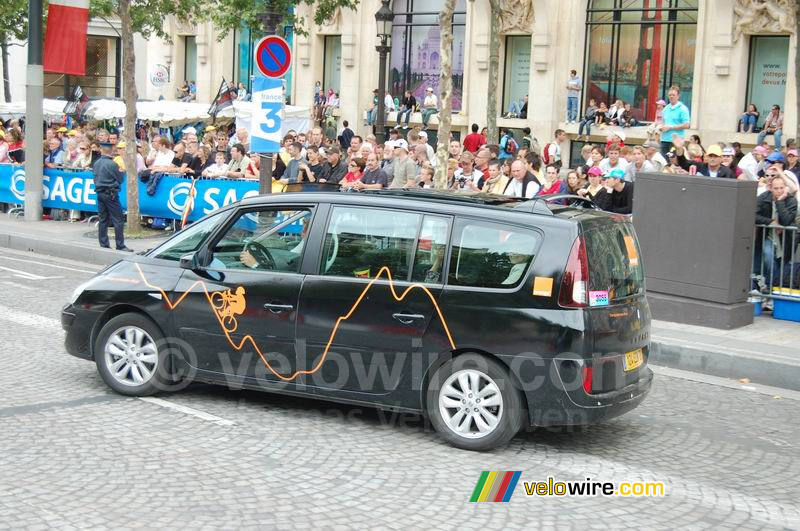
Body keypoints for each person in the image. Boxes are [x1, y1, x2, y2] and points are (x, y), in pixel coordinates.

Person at [754, 175, 797, 288]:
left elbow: (787, 220)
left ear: (786, 188)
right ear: (770, 188)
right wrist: (770, 222)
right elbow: (753, 214)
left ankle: (772, 285)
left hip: (786, 238)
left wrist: (780, 201)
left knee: (782, 263)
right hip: (768, 235)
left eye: (782, 188)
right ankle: (773, 284)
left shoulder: (791, 200)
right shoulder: (763, 198)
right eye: (776, 188)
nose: (779, 191)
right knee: (768, 255)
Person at [93, 142, 132, 251]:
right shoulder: (113, 164)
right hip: (111, 194)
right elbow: (121, 179)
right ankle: (120, 245)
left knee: (103, 219)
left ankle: (104, 243)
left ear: (101, 150)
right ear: (111, 151)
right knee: (118, 220)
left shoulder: (96, 163)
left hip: (100, 193)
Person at [661, 85, 691, 155]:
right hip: (664, 139)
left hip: (676, 141)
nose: (671, 97)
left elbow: (687, 125)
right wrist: (661, 127)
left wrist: (671, 127)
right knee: (664, 163)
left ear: (678, 96)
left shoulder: (683, 109)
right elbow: (663, 122)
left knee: (675, 163)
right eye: (670, 95)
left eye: (673, 95)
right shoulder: (665, 108)